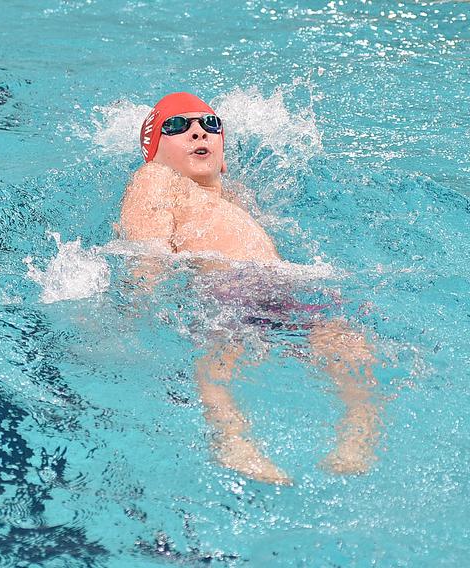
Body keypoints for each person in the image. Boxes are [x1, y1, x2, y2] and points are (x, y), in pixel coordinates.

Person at [118, 92, 384, 485]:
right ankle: (233, 441)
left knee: (347, 340)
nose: (196, 132)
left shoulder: (237, 196)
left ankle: (358, 436)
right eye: (177, 126)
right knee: (225, 354)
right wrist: (139, 306)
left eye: (210, 125)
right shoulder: (155, 179)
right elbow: (146, 253)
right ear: (153, 151)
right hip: (229, 290)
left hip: (286, 288)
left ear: (223, 153)